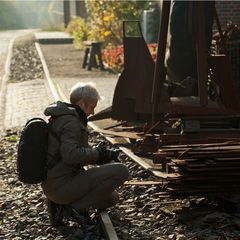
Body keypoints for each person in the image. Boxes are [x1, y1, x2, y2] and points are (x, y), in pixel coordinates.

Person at [41, 82, 129, 226]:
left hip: (55, 184)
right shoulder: (72, 122)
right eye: (92, 107)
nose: (93, 113)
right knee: (121, 171)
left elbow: (71, 155)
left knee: (111, 198)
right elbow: (70, 155)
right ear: (82, 103)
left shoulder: (64, 117)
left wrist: (102, 156)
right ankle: (73, 209)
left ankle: (59, 205)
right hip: (61, 186)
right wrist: (97, 154)